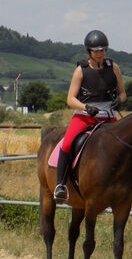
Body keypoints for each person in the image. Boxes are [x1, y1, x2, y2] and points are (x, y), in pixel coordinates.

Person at [53, 29, 127, 201]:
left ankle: (126, 184)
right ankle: (60, 184)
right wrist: (86, 107)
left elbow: (123, 93)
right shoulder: (81, 70)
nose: (100, 54)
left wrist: (119, 100)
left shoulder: (113, 68)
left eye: (103, 50)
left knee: (126, 144)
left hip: (108, 115)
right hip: (85, 115)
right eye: (96, 51)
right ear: (89, 51)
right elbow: (70, 99)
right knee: (67, 144)